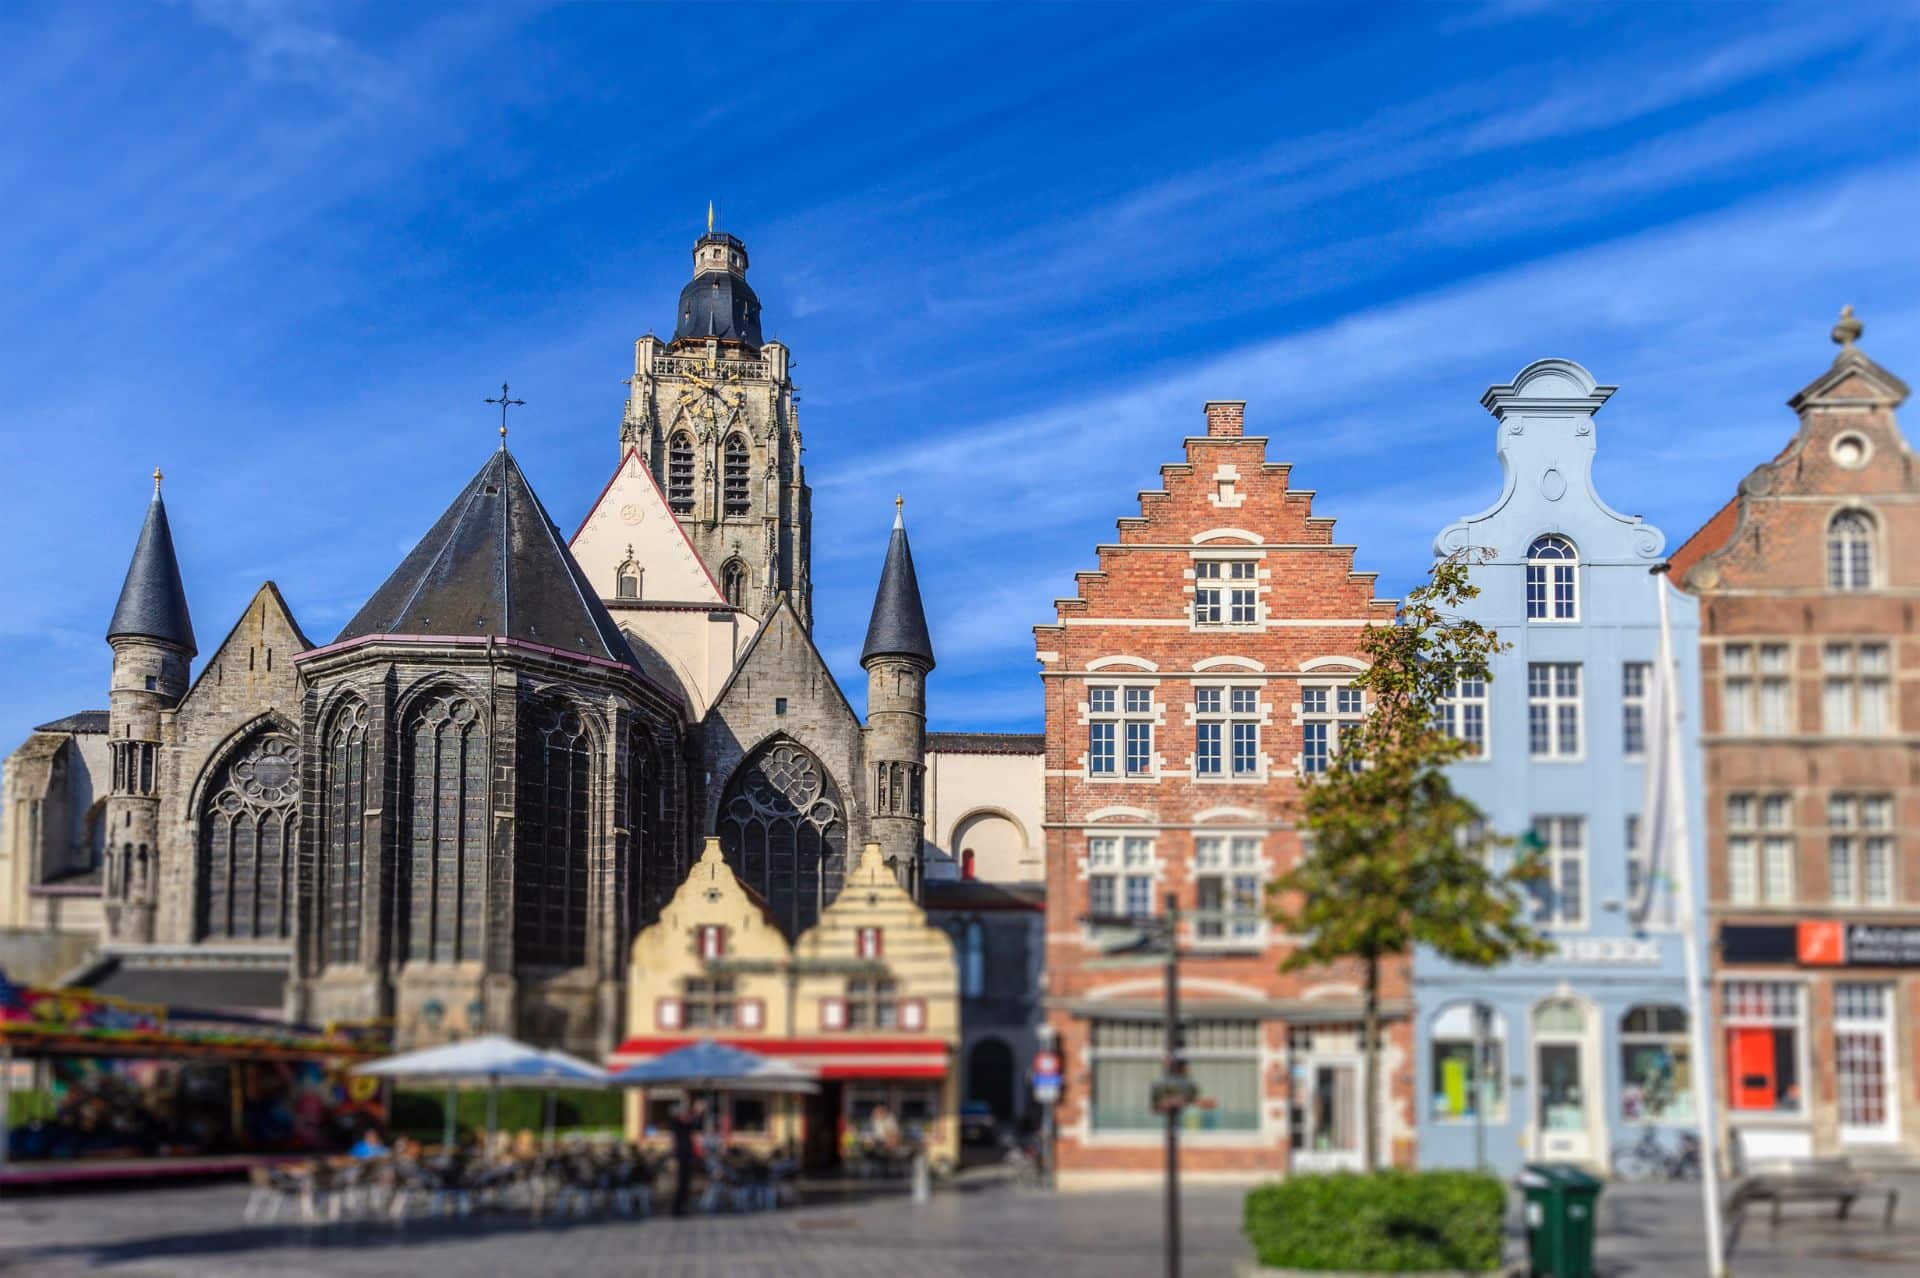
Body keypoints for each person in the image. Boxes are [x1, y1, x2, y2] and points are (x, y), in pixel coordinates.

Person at [670, 1097, 706, 1217]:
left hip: (687, 1155)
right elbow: (691, 1124)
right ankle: (677, 1209)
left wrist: (698, 1114)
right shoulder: (677, 1123)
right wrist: (697, 1112)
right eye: (683, 1112)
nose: (686, 1114)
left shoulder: (682, 1122)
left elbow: (696, 1126)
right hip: (683, 1155)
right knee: (682, 1182)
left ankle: (681, 1207)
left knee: (686, 1183)